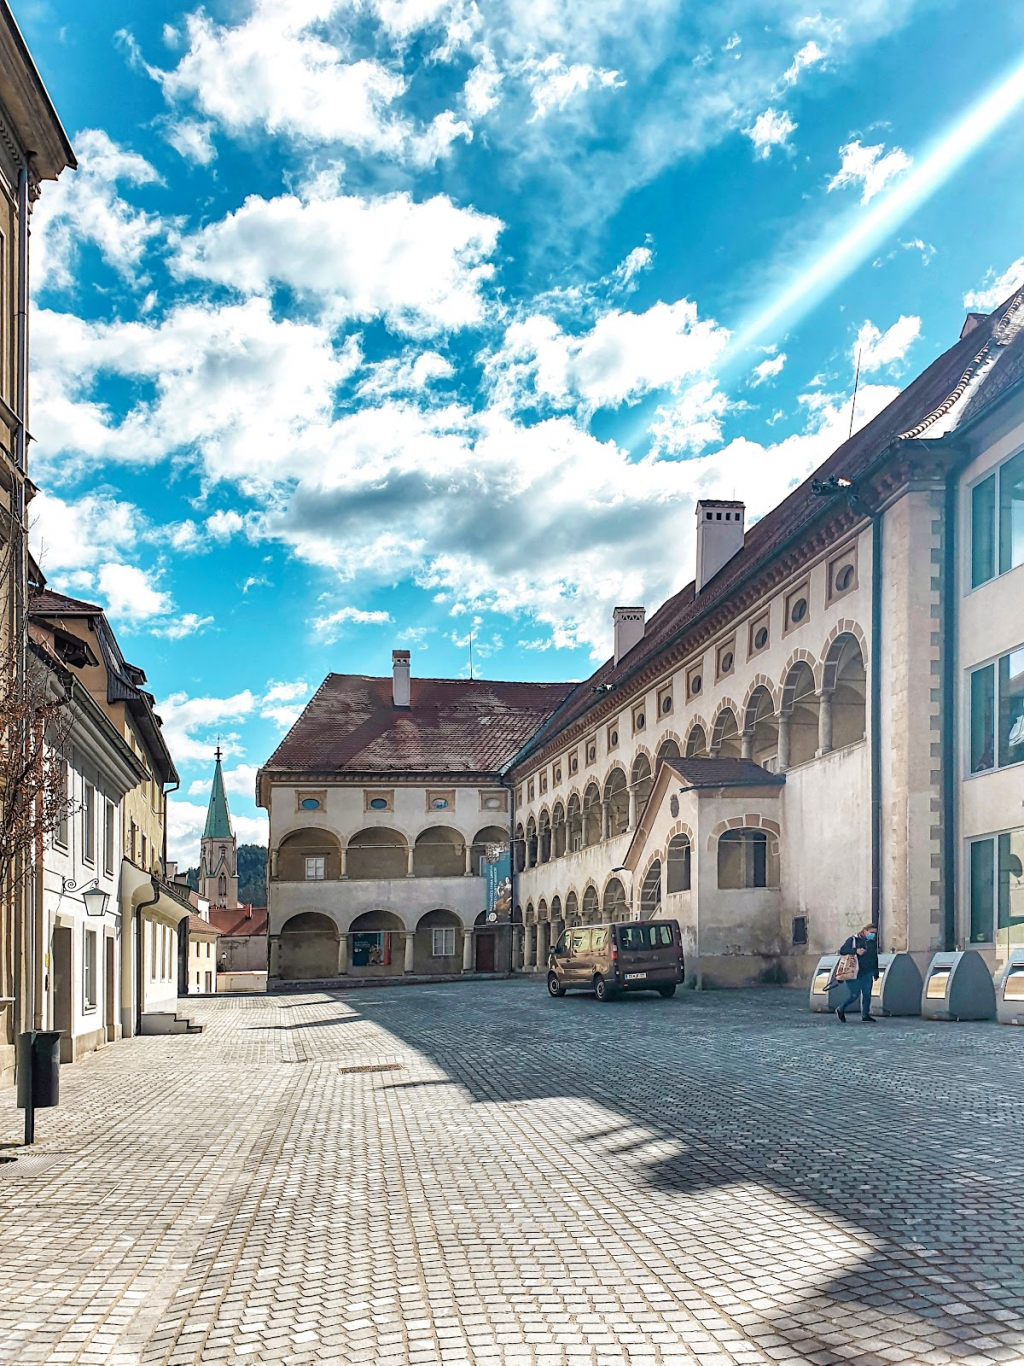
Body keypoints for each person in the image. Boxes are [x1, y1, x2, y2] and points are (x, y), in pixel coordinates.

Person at [835, 924, 879, 1022]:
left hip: (867, 972)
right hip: (853, 971)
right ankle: (841, 1008)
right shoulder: (853, 940)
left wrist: (875, 971)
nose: (873, 935)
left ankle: (865, 1015)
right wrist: (855, 951)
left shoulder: (872, 943)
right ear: (865, 930)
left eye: (874, 933)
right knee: (854, 994)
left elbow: (874, 957)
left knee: (867, 994)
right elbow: (842, 951)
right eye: (871, 932)